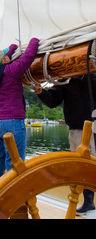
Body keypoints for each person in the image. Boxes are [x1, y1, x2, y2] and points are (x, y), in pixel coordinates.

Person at [34, 74, 96, 214]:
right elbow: (53, 100)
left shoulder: (92, 75)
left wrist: (87, 74)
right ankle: (89, 201)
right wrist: (41, 92)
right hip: (76, 129)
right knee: (81, 167)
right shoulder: (66, 79)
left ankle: (89, 201)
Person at [0, 37, 39, 181]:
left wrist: (13, 47)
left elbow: (5, 57)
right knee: (15, 164)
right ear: (4, 61)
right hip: (12, 122)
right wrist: (35, 40)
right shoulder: (11, 71)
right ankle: (14, 201)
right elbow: (28, 57)